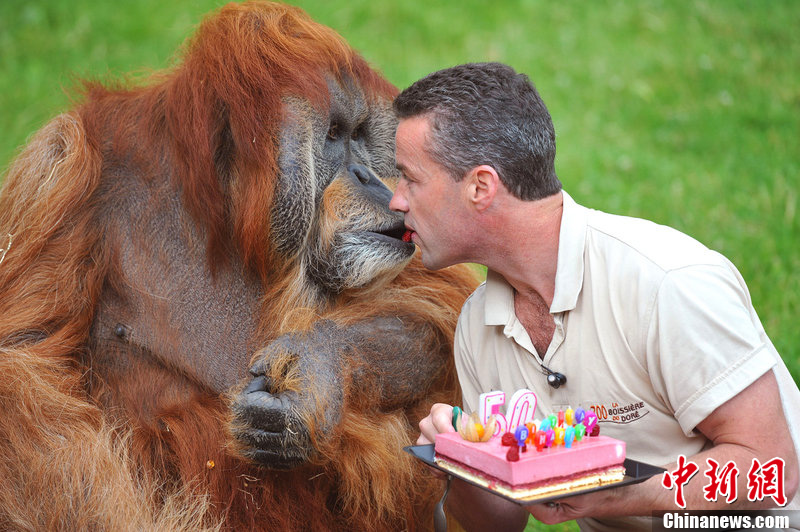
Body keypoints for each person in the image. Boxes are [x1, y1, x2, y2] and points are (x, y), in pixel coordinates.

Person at [389, 62, 800, 531]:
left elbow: (773, 470)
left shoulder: (667, 282)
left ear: (480, 186)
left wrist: (614, 495)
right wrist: (463, 458)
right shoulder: (480, 322)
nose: (396, 201)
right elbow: (497, 523)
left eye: (410, 178)